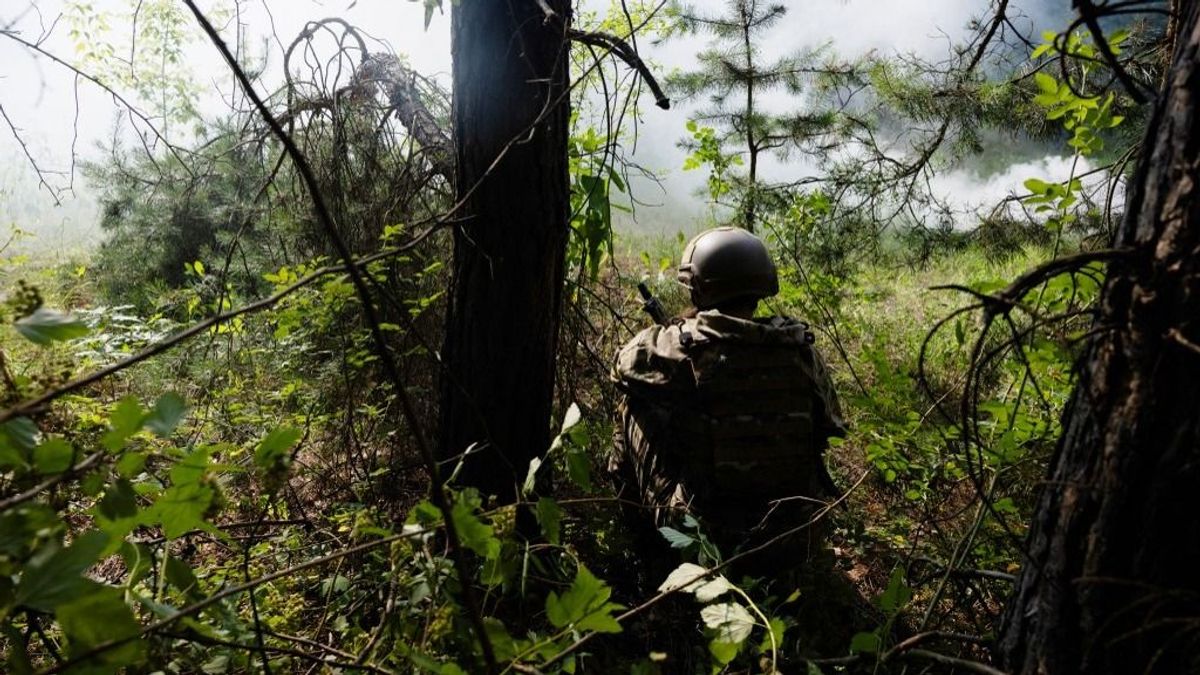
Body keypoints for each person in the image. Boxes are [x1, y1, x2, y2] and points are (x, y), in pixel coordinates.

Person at [610, 226, 847, 568]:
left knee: (633, 403)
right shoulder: (799, 348)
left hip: (708, 541)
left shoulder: (686, 347)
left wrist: (678, 330)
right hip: (793, 537)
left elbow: (622, 365)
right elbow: (827, 429)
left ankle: (644, 552)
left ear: (699, 288)